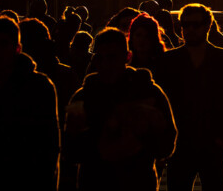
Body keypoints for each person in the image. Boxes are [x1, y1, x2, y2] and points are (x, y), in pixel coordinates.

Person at [64, 28, 177, 191]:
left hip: (136, 182)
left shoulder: (148, 92)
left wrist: (138, 142)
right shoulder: (84, 97)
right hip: (96, 182)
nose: (106, 64)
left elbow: (167, 142)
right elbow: (71, 149)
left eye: (112, 57)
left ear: (127, 57)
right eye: (101, 58)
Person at [155, 4, 223, 191]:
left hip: (213, 144)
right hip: (180, 145)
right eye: (185, 25)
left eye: (195, 25)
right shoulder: (169, 60)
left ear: (207, 26)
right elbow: (161, 103)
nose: (189, 30)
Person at [0, 16, 60, 191]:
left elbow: (49, 146)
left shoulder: (39, 87)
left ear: (17, 48)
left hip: (26, 180)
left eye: (3, 44)